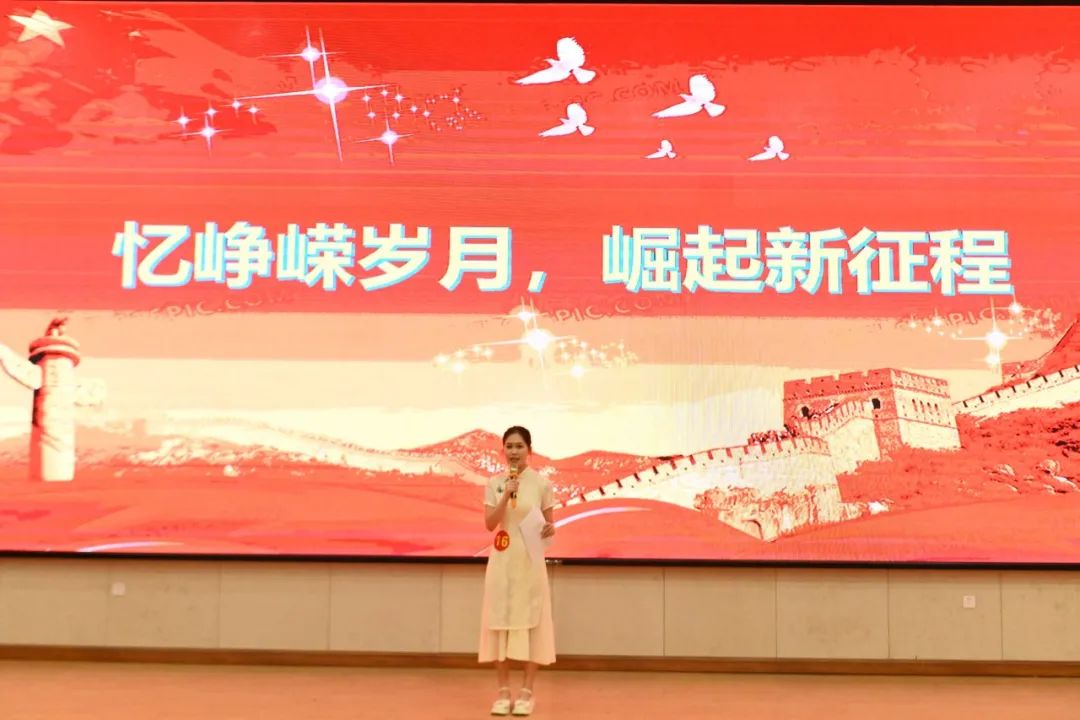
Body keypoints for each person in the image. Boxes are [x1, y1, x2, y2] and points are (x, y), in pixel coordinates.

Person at [479, 425, 556, 716]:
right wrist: (505, 496)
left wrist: (549, 529)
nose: (514, 452)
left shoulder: (542, 484)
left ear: (529, 450)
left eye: (519, 446)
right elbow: (490, 524)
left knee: (532, 621)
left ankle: (527, 691)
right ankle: (502, 691)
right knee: (500, 619)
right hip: (503, 558)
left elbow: (549, 526)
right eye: (509, 446)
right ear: (503, 450)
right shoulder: (495, 482)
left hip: (530, 560)